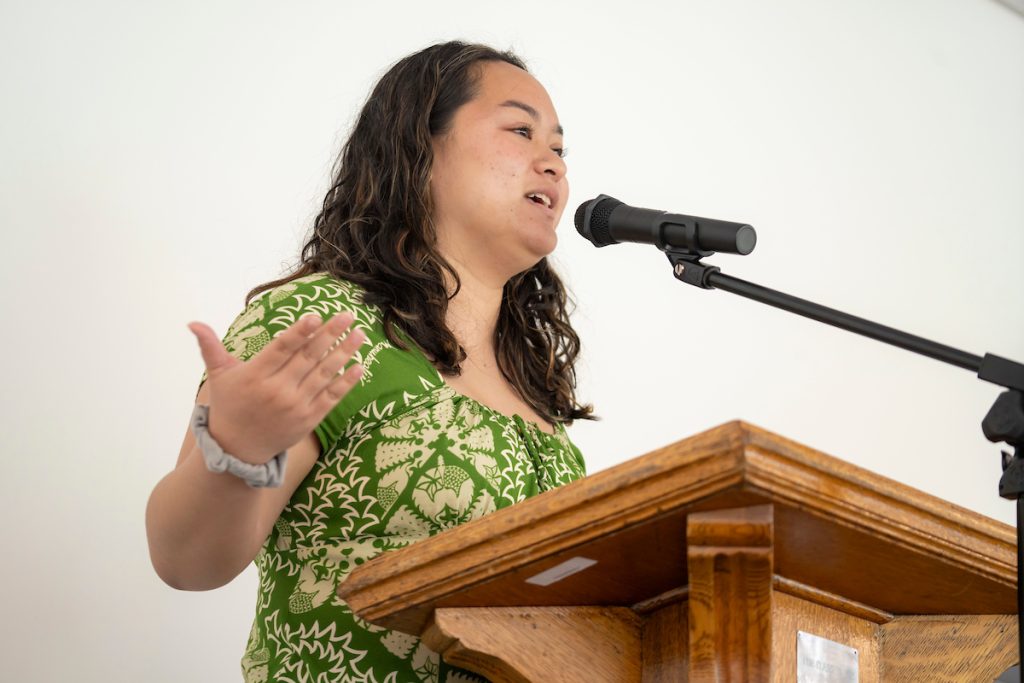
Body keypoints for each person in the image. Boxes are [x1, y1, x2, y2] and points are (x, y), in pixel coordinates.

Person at [146, 41, 594, 682]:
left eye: (559, 149)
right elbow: (184, 561)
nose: (551, 163)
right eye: (521, 131)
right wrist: (235, 450)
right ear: (419, 146)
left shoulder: (536, 388)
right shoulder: (323, 325)